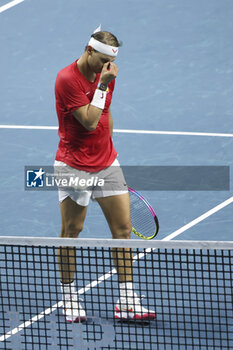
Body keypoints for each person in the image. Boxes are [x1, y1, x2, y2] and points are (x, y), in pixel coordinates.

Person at [54, 25, 156, 322]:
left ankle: (126, 299)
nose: (106, 69)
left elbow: (106, 113)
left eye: (109, 64)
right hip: (74, 166)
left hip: (107, 164)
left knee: (123, 232)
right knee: (72, 232)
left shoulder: (106, 73)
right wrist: (102, 84)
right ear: (89, 51)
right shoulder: (66, 79)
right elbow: (88, 120)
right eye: (101, 62)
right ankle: (69, 299)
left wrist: (111, 151)